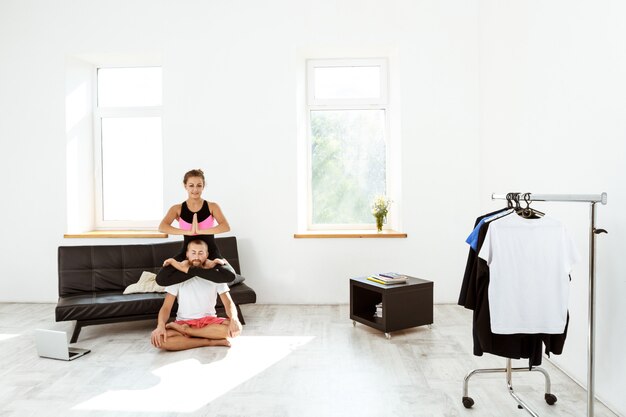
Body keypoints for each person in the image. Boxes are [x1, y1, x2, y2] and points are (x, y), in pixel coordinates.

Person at [151, 239, 243, 351]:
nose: (197, 256)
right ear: (187, 254)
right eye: (193, 252)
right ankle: (209, 341)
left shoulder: (215, 276)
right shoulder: (177, 277)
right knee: (160, 340)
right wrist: (160, 325)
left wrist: (234, 318)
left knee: (235, 328)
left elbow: (228, 302)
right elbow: (166, 307)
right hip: (183, 322)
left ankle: (189, 333)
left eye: (201, 253)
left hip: (208, 322)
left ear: (207, 255)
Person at [156, 169, 236, 286]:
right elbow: (162, 227)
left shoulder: (212, 206)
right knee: (161, 279)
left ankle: (188, 269)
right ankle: (204, 268)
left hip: (210, 251)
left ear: (203, 186)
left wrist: (201, 230)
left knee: (230, 275)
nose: (195, 189)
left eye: (199, 185)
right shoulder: (177, 208)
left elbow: (225, 226)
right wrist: (188, 231)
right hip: (188, 252)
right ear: (185, 186)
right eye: (191, 185)